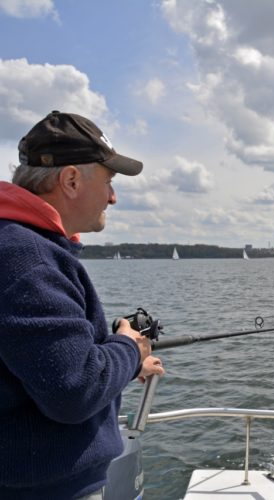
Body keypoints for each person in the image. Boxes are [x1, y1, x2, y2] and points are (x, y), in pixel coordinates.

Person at [0, 111, 165, 499]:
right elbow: (74, 389)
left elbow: (42, 366)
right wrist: (128, 347)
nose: (113, 196)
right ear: (71, 180)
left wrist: (123, 363)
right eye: (108, 182)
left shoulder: (19, 248)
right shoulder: (27, 259)